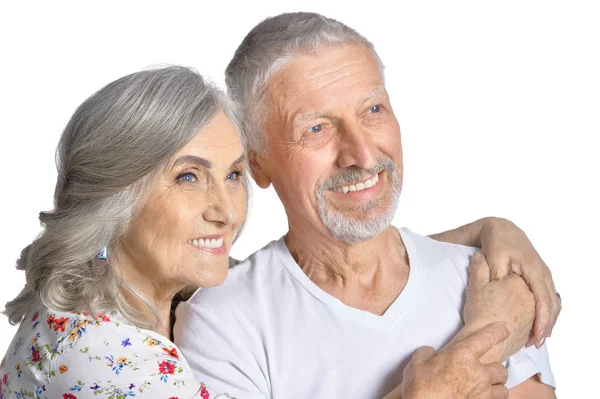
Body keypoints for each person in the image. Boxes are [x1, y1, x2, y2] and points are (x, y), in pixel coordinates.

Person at [173, 12, 559, 398]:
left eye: (373, 110)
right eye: (316, 128)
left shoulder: (484, 278)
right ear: (257, 163)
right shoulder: (221, 321)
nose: (361, 154)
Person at [0, 66, 245, 398]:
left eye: (233, 174)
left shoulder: (123, 301)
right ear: (113, 199)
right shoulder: (107, 362)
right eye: (188, 177)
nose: (228, 212)